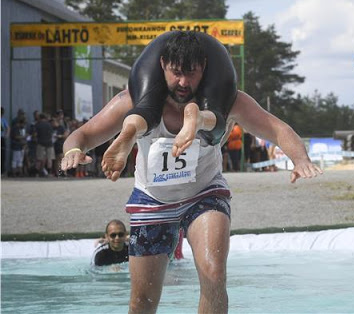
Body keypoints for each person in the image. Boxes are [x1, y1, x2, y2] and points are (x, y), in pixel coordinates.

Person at [60, 31, 321, 313]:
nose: (183, 82)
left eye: (192, 74)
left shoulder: (230, 99)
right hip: (152, 200)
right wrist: (72, 151)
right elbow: (83, 134)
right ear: (162, 65)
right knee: (142, 301)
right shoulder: (132, 98)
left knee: (213, 276)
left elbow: (277, 129)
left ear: (205, 69)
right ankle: (131, 130)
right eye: (176, 73)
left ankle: (186, 121)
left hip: (205, 193)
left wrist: (300, 159)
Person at [34, 113, 55, 177]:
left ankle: (37, 173)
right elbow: (52, 134)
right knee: (49, 159)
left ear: (40, 118)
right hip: (49, 143)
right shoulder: (49, 125)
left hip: (40, 143)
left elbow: (35, 134)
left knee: (39, 159)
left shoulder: (38, 124)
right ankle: (49, 173)